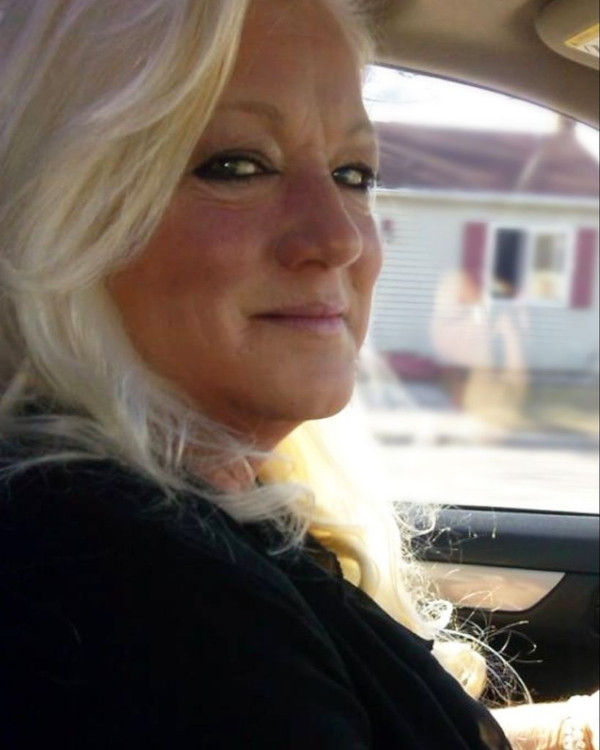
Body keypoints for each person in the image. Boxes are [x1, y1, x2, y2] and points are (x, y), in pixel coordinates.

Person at [0, 0, 596, 748]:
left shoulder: (194, 521)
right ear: (50, 208)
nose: (340, 237)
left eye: (353, 173)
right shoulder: (123, 581)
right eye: (237, 165)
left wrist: (570, 731)